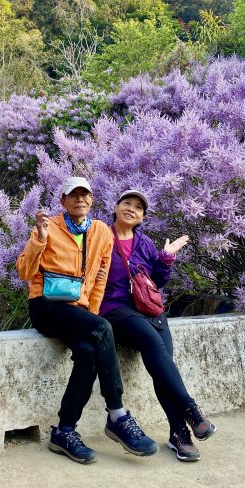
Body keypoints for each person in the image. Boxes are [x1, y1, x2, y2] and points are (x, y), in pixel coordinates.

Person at [16, 177, 158, 464]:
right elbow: (24, 272)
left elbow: (100, 278)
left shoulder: (102, 232)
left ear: (92, 200)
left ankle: (64, 431)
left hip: (79, 311)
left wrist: (91, 317)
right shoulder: (49, 227)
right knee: (103, 327)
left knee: (88, 351)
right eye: (73, 195)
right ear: (63, 202)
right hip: (45, 306)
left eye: (85, 194)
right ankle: (117, 414)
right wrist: (39, 239)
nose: (80, 199)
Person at [98, 189, 217, 463]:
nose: (131, 208)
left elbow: (157, 283)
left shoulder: (144, 243)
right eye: (126, 203)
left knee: (164, 364)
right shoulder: (101, 236)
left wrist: (166, 258)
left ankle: (179, 435)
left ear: (142, 217)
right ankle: (192, 410)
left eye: (138, 207)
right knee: (153, 342)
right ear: (116, 207)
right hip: (115, 308)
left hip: (149, 309)